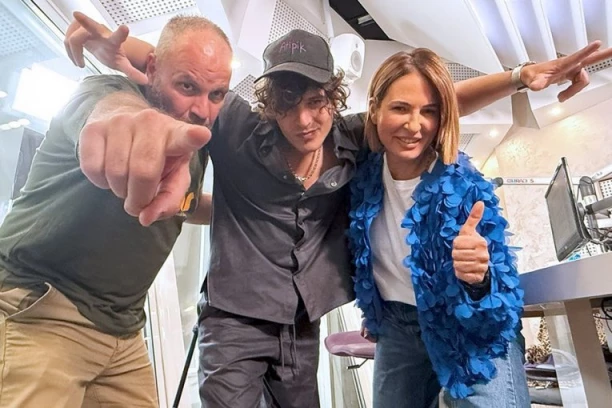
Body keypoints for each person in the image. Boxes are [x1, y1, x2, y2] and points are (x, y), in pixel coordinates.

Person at [64, 11, 612, 407]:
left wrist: (519, 78)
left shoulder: (352, 139)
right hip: (235, 316)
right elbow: (189, 75)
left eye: (316, 102)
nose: (305, 121)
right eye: (288, 105)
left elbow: (430, 105)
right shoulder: (237, 129)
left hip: (305, 323)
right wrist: (116, 45)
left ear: (334, 98)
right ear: (268, 104)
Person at [0, 15, 231, 407]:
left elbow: (182, 204)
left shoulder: (195, 144)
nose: (202, 110)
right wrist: (130, 125)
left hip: (123, 331)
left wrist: (247, 213)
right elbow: (111, 113)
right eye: (187, 87)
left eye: (216, 94)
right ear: (152, 69)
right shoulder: (104, 91)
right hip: (42, 310)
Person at [349, 49, 529, 408]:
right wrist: (374, 311)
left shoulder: (465, 185)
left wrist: (478, 279)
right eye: (401, 108)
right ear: (374, 109)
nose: (415, 125)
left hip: (468, 325)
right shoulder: (361, 174)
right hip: (398, 326)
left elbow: (502, 296)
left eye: (429, 111)